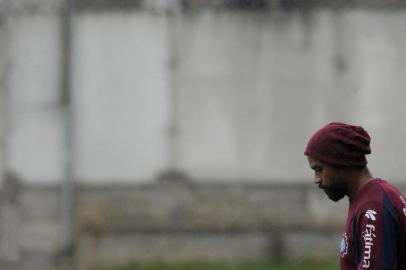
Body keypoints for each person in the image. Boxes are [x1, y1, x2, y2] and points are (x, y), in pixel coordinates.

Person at [304, 122, 406, 270]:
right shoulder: (373, 197)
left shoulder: (373, 207)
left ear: (341, 161)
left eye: (319, 169)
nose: (316, 179)